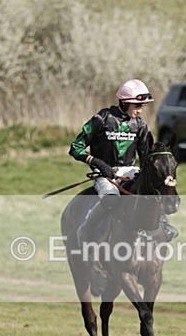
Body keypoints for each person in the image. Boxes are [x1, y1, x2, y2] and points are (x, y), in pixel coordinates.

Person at [69, 79, 177, 245]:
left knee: (150, 189)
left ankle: (163, 223)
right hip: (104, 175)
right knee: (111, 199)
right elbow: (76, 147)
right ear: (125, 103)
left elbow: (145, 156)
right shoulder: (102, 118)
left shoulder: (140, 125)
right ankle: (86, 229)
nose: (140, 111)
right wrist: (97, 163)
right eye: (137, 106)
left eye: (142, 106)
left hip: (130, 171)